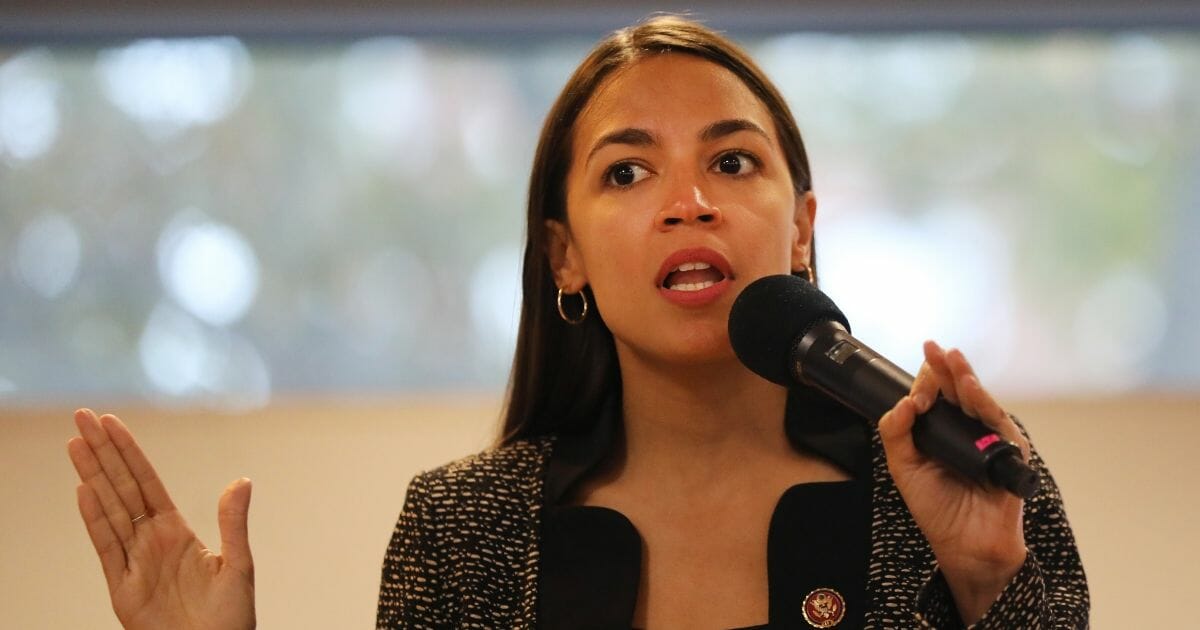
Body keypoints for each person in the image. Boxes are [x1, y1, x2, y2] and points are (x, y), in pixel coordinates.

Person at [67, 15, 1088, 629]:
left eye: (733, 161)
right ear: (565, 254)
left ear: (803, 230)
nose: (689, 200)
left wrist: (987, 583)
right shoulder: (463, 531)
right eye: (629, 171)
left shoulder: (961, 486)